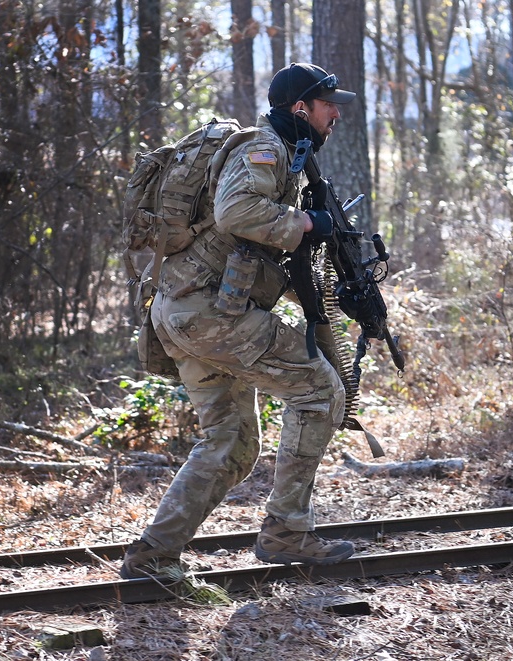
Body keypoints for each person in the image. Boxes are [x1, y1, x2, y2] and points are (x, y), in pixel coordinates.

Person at [120, 63, 358, 578]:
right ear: (301, 108)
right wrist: (309, 223)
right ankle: (287, 532)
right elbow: (237, 214)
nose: (336, 113)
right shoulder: (265, 148)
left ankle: (153, 557)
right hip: (208, 314)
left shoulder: (287, 157)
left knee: (230, 442)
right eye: (328, 104)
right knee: (319, 392)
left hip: (186, 310)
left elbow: (250, 252)